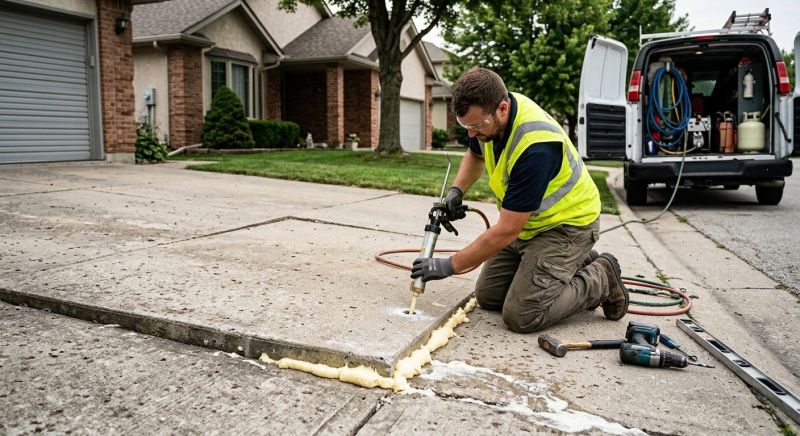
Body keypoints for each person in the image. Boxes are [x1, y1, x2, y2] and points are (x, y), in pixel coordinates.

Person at [410, 67, 628, 332]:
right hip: (530, 225)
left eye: (477, 126)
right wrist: (457, 191)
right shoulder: (490, 120)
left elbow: (506, 230)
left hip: (566, 228)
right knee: (489, 297)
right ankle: (568, 264)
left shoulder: (535, 147)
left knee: (522, 315)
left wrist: (449, 265)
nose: (471, 134)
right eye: (465, 126)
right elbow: (476, 154)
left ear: (502, 109)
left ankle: (602, 276)